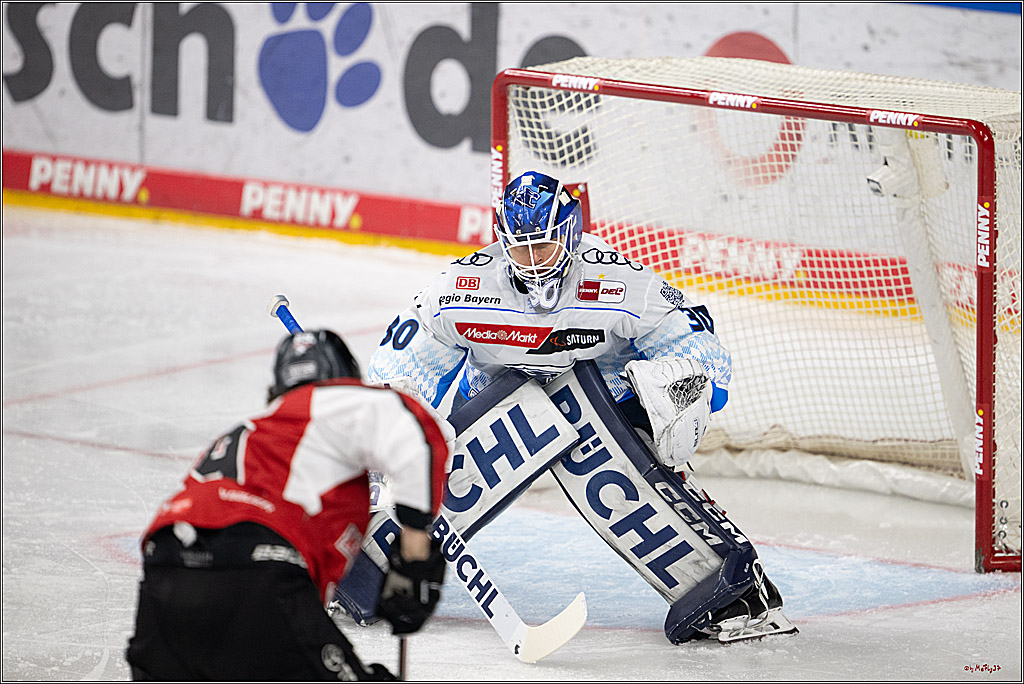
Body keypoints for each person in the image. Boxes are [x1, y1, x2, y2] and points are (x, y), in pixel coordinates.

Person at [365, 171, 795, 643]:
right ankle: (366, 565)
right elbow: (399, 361)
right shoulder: (458, 288)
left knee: (616, 479)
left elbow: (699, 344)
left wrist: (675, 388)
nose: (531, 262)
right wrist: (401, 421)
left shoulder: (621, 281)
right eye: (519, 247)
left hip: (602, 405)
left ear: (568, 235)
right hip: (495, 405)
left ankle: (723, 584)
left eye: (542, 247)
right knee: (427, 469)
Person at [126, 329, 450, 680]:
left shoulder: (256, 431)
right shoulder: (334, 400)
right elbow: (417, 432)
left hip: (165, 574)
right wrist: (413, 560)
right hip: (257, 566)